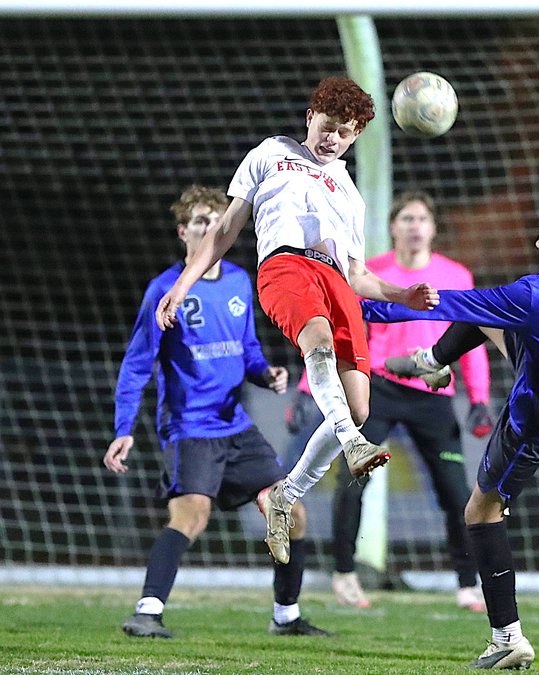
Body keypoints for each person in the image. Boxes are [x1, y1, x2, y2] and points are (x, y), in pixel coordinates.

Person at [152, 77, 439, 566]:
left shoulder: (349, 191)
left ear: (356, 135)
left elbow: (356, 274)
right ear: (311, 117)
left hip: (336, 282)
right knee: (319, 343)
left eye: (345, 132)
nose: (333, 138)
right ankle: (352, 444)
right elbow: (226, 229)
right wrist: (182, 285)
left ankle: (285, 495)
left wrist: (401, 294)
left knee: (359, 406)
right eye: (327, 126)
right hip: (285, 266)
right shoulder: (271, 153)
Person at [364, 194, 539, 670]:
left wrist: (353, 307)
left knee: (481, 512)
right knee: (486, 312)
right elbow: (486, 309)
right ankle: (431, 361)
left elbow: (431, 307)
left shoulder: (537, 296)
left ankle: (508, 637)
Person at [104, 185, 327, 638]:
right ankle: (147, 612)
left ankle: (286, 617)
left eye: (216, 220)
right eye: (199, 221)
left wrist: (265, 374)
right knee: (192, 515)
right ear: (183, 232)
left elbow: (247, 349)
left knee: (291, 511)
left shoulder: (240, 281)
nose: (209, 228)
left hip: (235, 426)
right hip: (190, 427)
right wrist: (124, 427)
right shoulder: (164, 290)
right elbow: (137, 363)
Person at [285, 191, 494, 611]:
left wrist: (480, 397)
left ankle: (467, 584)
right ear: (393, 227)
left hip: (432, 392)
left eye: (422, 219)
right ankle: (345, 575)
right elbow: (338, 330)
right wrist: (308, 388)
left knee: (456, 492)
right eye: (407, 219)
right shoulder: (369, 273)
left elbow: (471, 338)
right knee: (352, 481)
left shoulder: (456, 275)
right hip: (377, 386)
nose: (415, 226)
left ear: (433, 228)